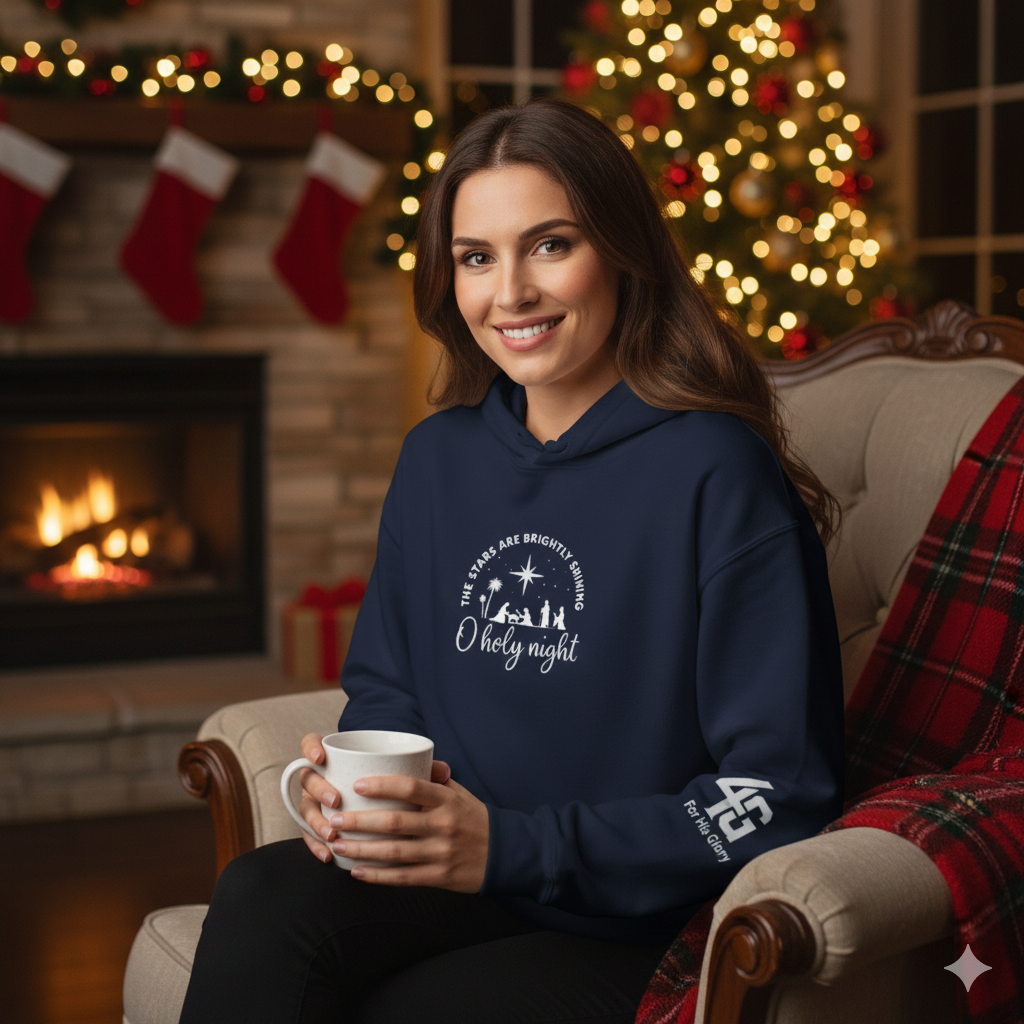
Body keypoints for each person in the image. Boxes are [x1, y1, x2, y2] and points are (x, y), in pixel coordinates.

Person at [179, 98, 844, 1024]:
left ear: (623, 251)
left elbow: (774, 795)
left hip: (635, 914)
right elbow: (386, 691)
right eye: (476, 257)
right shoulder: (438, 457)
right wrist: (355, 783)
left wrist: (514, 847)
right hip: (456, 877)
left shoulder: (717, 472)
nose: (510, 295)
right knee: (259, 895)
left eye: (550, 245)